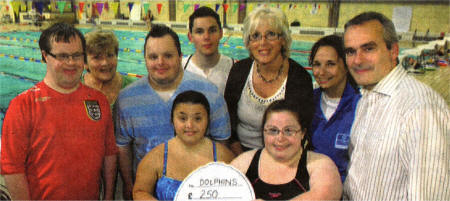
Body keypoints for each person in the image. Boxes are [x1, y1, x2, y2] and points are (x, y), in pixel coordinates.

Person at [0, 23, 118, 200]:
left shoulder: (98, 101)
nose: (71, 63)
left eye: (77, 55)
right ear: (44, 55)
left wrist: (108, 197)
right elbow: (12, 168)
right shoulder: (23, 105)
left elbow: (109, 154)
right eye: (62, 56)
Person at [115, 24, 231, 199]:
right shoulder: (127, 98)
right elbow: (123, 147)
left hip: (202, 191)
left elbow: (221, 141)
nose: (160, 62)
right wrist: (129, 185)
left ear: (180, 56)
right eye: (153, 57)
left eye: (168, 55)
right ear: (145, 59)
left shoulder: (208, 92)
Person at [343, 12, 449, 200]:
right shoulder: (367, 97)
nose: (357, 60)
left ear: (393, 50)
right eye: (350, 51)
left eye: (368, 49)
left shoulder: (420, 109)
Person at [224, 7, 313, 155]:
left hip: (284, 154)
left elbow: (302, 130)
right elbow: (228, 120)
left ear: (283, 40)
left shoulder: (299, 78)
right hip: (240, 152)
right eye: (256, 36)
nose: (262, 42)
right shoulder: (239, 71)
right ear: (248, 42)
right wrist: (241, 156)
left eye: (271, 34)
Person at [231, 99, 342, 200]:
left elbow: (324, 195)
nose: (280, 138)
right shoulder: (244, 163)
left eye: (289, 131)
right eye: (273, 130)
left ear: (302, 133)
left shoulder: (321, 164)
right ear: (263, 132)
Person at [133, 90, 235, 200]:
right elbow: (140, 192)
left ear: (208, 121)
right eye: (182, 118)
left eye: (198, 119)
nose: (189, 125)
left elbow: (238, 194)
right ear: (172, 120)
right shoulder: (155, 157)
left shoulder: (224, 158)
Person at [308, 35, 360, 182]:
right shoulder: (308, 101)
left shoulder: (361, 106)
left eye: (330, 64)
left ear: (346, 66)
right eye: (317, 64)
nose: (321, 72)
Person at [182, 6, 235, 95]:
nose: (206, 37)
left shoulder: (234, 69)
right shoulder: (180, 69)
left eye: (212, 30)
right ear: (190, 37)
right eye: (199, 31)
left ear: (221, 33)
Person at [83, 29, 136, 108]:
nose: (105, 62)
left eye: (110, 55)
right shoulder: (74, 88)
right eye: (97, 57)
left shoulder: (133, 88)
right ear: (85, 63)